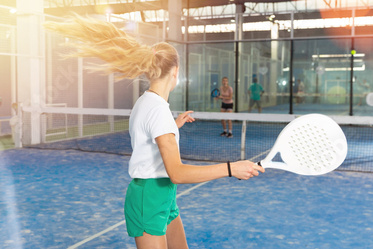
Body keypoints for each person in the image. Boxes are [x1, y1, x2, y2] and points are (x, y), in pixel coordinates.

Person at [44, 16, 264, 248]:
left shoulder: (147, 103)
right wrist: (232, 168)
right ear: (175, 72)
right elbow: (177, 173)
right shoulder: (158, 111)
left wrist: (173, 125)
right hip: (150, 196)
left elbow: (149, 135)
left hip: (163, 194)